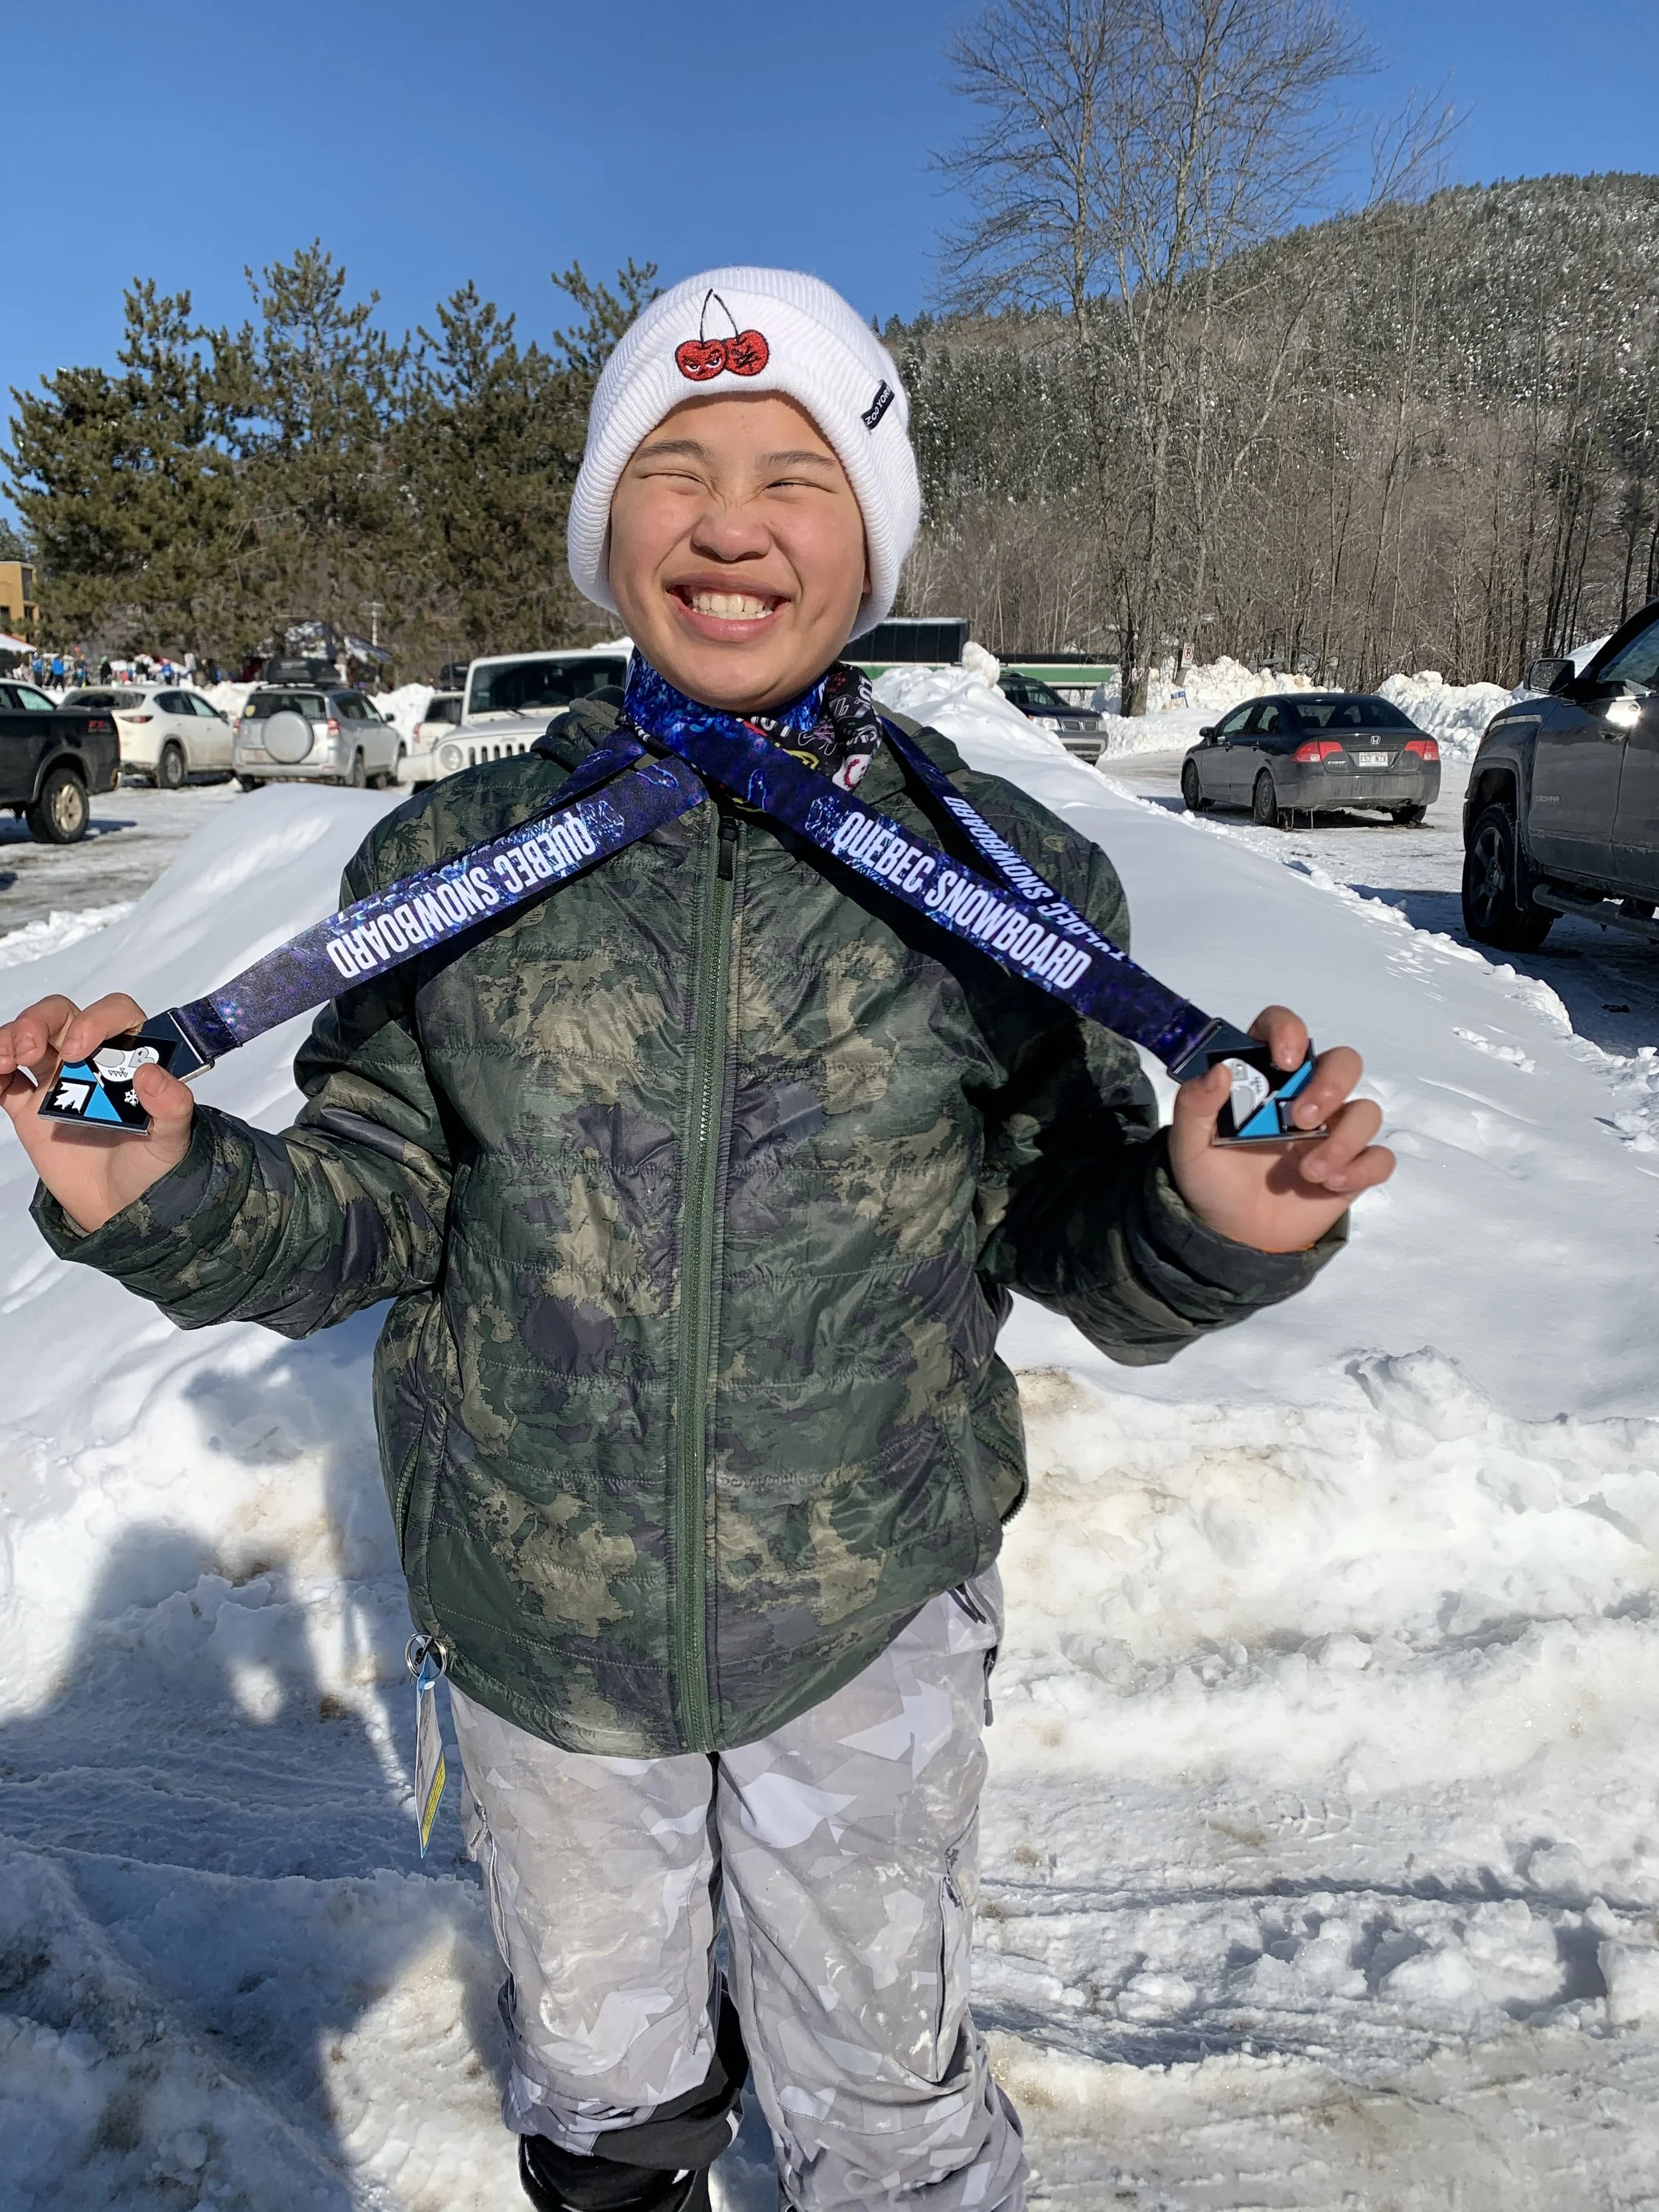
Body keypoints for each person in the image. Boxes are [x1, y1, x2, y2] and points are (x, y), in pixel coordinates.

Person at [0, 267, 1392, 2212]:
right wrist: (162, 1191)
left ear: (869, 538)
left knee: (881, 2092)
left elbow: (1071, 1233)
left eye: (795, 475)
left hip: (868, 1618)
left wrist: (1205, 1219)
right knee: (600, 2074)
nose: (731, 519)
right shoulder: (451, 865)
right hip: (538, 1630)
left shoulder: (999, 877)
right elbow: (367, 1207)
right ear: (604, 528)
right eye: (674, 465)